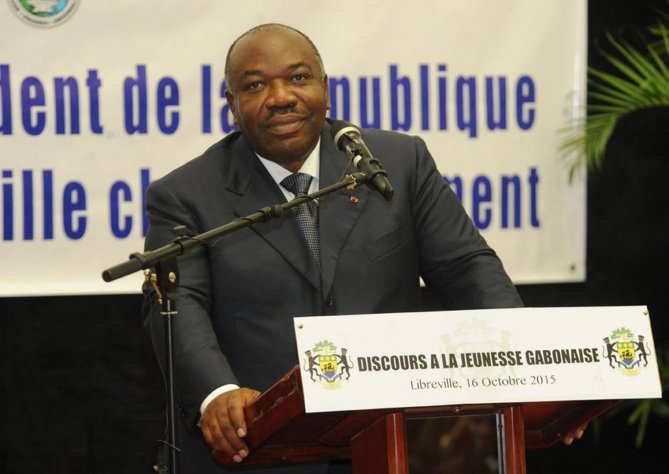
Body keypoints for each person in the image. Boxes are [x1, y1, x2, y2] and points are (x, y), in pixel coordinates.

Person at [142, 23, 525, 473]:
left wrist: (527, 363)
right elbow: (178, 304)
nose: (281, 97)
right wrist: (217, 393)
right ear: (232, 105)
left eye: (298, 78)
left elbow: (466, 269)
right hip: (259, 447)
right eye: (255, 86)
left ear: (325, 89)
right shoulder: (186, 194)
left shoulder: (396, 164)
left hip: (391, 440)